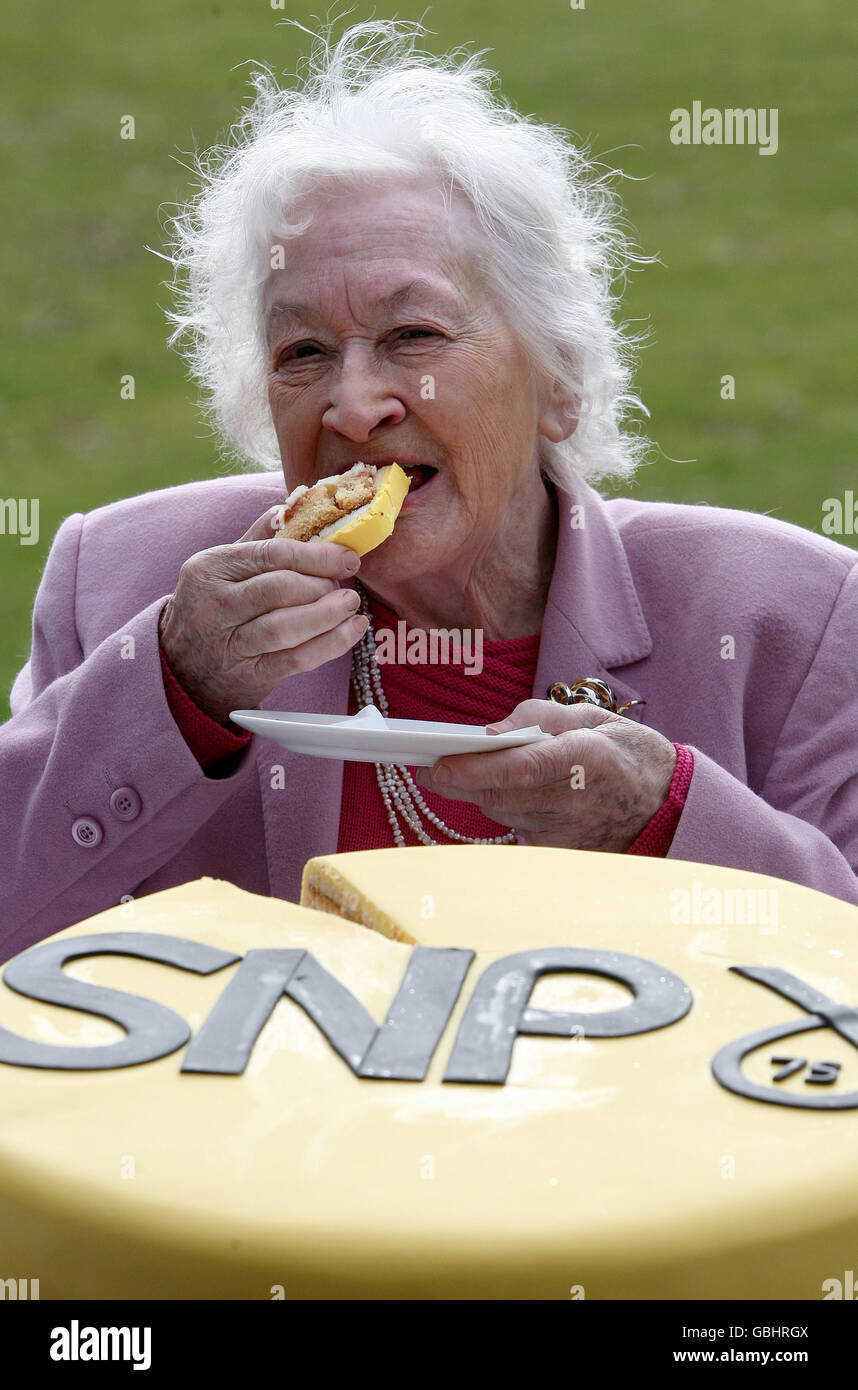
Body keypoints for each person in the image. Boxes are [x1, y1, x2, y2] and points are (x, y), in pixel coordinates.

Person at [3, 20, 857, 959]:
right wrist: (172, 699)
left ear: (559, 380)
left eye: (415, 335)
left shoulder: (790, 620)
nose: (355, 403)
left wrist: (670, 824)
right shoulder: (127, 587)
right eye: (304, 354)